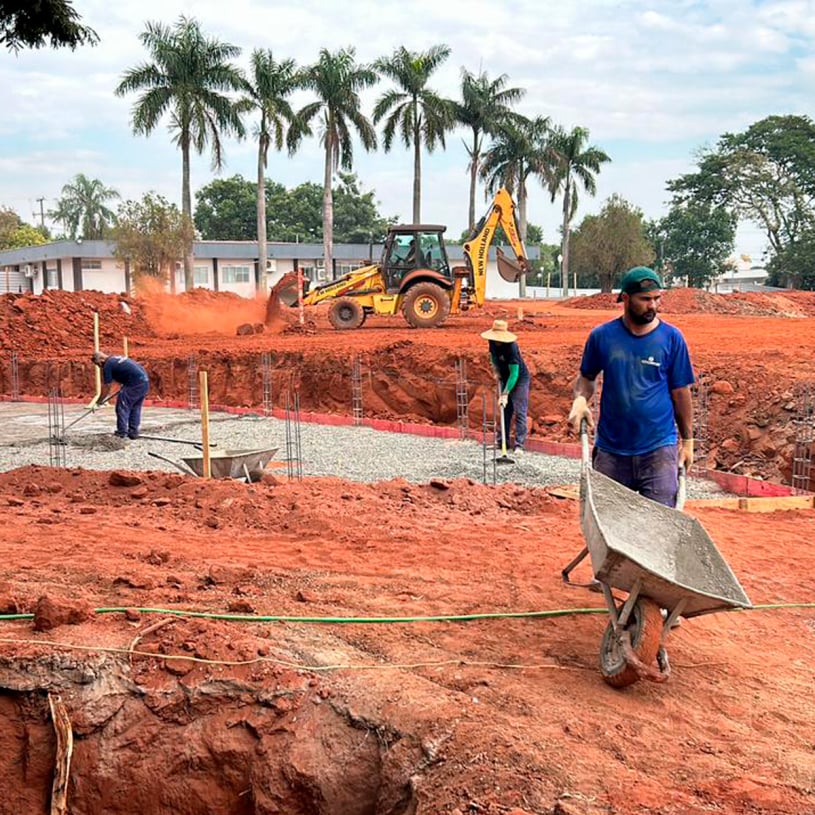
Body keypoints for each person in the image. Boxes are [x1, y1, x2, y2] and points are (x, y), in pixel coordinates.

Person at [568, 266, 695, 508]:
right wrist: (581, 399)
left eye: (657, 299)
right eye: (645, 299)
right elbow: (586, 377)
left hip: (658, 449)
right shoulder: (602, 336)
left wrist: (688, 441)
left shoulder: (671, 338)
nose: (652, 305)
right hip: (611, 450)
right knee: (609, 519)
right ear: (625, 298)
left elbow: (680, 393)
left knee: (659, 521)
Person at [481, 318, 530, 452]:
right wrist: (496, 370)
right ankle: (502, 442)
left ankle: (519, 445)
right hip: (504, 376)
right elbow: (493, 357)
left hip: (519, 379)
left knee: (519, 411)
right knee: (504, 410)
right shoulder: (492, 342)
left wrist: (505, 394)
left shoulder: (511, 348)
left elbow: (514, 373)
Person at [91, 351, 150, 440]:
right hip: (144, 383)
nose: (99, 367)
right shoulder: (116, 359)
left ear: (101, 360)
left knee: (122, 407)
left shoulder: (108, 365)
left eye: (98, 364)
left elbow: (107, 386)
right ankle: (133, 432)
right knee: (135, 407)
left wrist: (99, 401)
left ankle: (122, 433)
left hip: (134, 385)